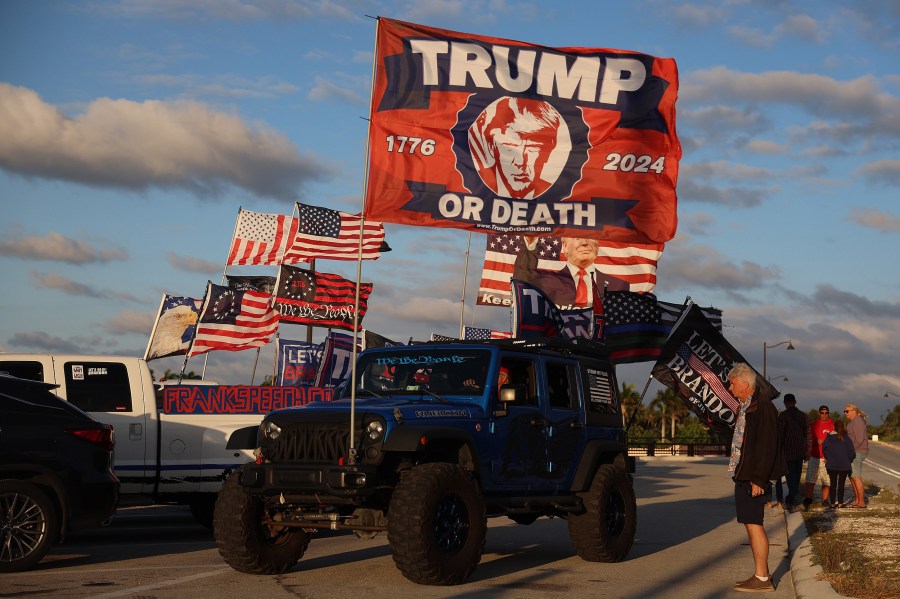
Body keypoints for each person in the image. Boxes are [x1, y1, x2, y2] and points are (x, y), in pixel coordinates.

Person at [727, 362, 785, 593]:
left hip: (753, 477)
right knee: (750, 525)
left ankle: (762, 578)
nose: (730, 388)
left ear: (744, 383)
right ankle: (760, 574)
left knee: (755, 524)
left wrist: (759, 480)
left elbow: (767, 446)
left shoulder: (763, 407)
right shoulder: (748, 406)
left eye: (732, 384)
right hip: (745, 474)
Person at [469, 97, 566, 200]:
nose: (520, 162)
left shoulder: (556, 196)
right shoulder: (475, 186)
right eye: (510, 147)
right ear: (491, 147)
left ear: (548, 153)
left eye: (532, 148)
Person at [513, 236, 630, 308]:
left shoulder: (618, 286)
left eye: (590, 237)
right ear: (564, 247)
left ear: (597, 246)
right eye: (577, 238)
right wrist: (530, 246)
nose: (584, 243)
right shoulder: (545, 283)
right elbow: (521, 282)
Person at [774, 393, 808, 511]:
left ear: (785, 403)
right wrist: (807, 451)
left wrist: (777, 450)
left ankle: (797, 502)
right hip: (800, 452)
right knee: (796, 478)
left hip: (787, 453)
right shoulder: (803, 416)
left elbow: (780, 435)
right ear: (795, 402)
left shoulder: (782, 417)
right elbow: (807, 435)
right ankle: (790, 501)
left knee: (791, 479)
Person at [802, 405, 835, 509]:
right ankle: (808, 498)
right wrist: (816, 442)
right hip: (814, 456)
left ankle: (825, 500)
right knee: (810, 479)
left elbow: (836, 441)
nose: (824, 415)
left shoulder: (832, 425)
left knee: (826, 480)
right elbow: (808, 439)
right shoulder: (813, 425)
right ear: (819, 413)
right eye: (822, 413)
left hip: (827, 458)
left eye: (826, 413)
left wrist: (825, 442)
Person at [822, 420, 855, 508]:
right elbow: (852, 452)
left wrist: (828, 457)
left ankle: (832, 503)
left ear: (834, 427)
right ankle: (840, 503)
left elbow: (824, 449)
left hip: (831, 464)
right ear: (844, 427)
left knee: (833, 484)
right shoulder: (846, 438)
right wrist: (849, 460)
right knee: (841, 484)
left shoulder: (828, 437)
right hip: (844, 465)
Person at [844, 402, 869, 508]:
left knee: (856, 476)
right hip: (853, 451)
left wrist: (849, 450)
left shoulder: (858, 421)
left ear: (854, 411)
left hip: (857, 452)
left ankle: (861, 502)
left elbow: (859, 440)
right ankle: (857, 500)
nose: (845, 413)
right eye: (844, 411)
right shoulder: (854, 421)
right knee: (852, 476)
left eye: (847, 411)